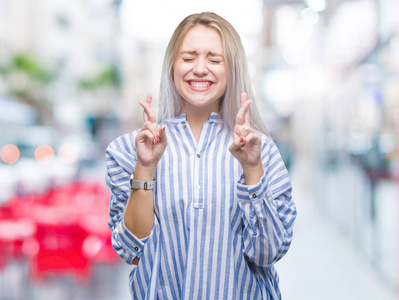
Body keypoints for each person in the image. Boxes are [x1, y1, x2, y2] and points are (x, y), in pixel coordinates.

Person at [106, 12, 296, 300]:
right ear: (172, 66)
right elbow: (130, 251)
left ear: (232, 70)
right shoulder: (126, 151)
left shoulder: (261, 151)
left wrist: (252, 170)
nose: (200, 68)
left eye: (214, 60)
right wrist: (145, 168)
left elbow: (268, 253)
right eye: (188, 57)